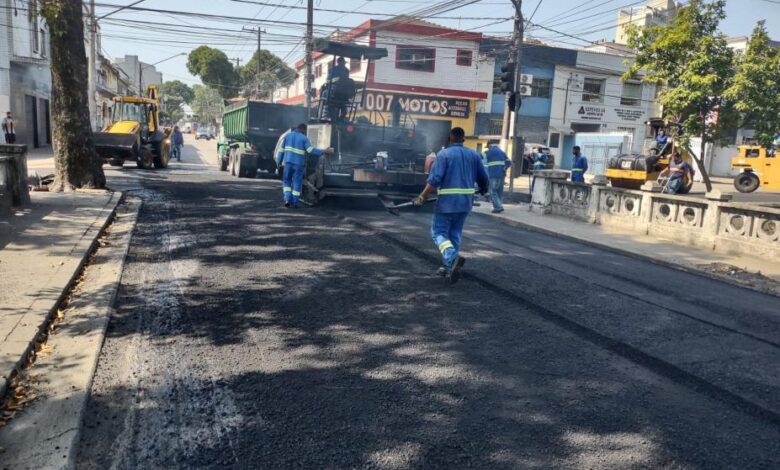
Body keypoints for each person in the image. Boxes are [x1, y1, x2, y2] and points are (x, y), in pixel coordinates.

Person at [412, 127, 489, 284]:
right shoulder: (474, 155)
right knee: (455, 234)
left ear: (450, 138)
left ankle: (452, 257)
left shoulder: (444, 154)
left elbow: (434, 180)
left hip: (447, 203)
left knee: (438, 232)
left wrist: (422, 197)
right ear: (463, 139)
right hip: (465, 203)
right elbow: (484, 178)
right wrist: (483, 189)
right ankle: (449, 267)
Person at [275, 123, 334, 208]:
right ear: (303, 130)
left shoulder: (288, 136)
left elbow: (281, 151)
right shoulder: (304, 138)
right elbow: (310, 150)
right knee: (297, 182)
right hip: (298, 165)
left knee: (286, 181)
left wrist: (278, 163)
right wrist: (324, 151)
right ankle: (294, 203)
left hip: (288, 163)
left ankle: (287, 199)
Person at [484, 140, 511, 213]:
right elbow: (509, 162)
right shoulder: (502, 152)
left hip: (493, 174)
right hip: (502, 174)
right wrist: (504, 168)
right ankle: (499, 205)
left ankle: (498, 207)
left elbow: (483, 164)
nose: (488, 148)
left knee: (492, 191)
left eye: (488, 147)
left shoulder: (487, 153)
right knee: (499, 191)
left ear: (490, 146)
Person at [326, 57, 351, 122]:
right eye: (342, 63)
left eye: (344, 63)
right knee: (331, 110)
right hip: (334, 93)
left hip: (343, 95)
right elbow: (328, 81)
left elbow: (347, 81)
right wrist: (336, 80)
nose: (343, 64)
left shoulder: (346, 70)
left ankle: (338, 121)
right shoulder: (332, 70)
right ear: (338, 63)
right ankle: (333, 120)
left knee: (344, 112)